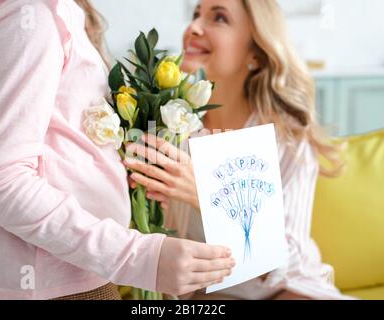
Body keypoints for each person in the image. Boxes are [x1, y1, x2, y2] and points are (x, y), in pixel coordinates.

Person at [0, 0, 234, 300]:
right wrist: (138, 257)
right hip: (57, 285)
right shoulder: (36, 14)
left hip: (75, 276)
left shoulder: (54, 14)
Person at [124, 0, 352, 300]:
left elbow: (290, 259)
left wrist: (208, 196)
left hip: (284, 289)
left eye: (219, 18)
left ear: (255, 52)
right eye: (196, 14)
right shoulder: (171, 128)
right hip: (205, 294)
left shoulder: (287, 137)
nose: (193, 27)